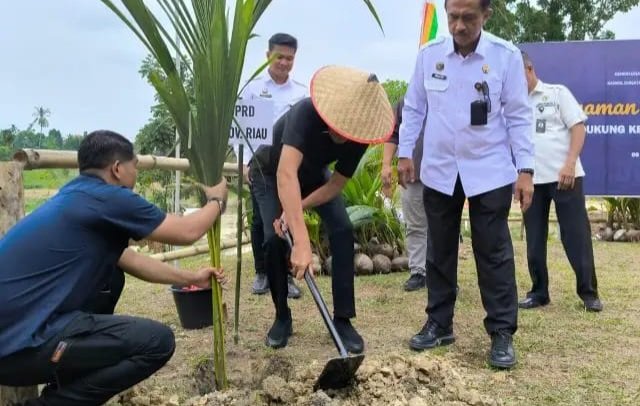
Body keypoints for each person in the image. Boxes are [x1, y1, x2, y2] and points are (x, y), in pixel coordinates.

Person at [0, 130, 228, 405]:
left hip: (15, 345)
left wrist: (192, 277)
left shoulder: (76, 196)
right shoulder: (108, 198)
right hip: (20, 348)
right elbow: (187, 231)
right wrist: (217, 201)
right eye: (135, 167)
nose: (137, 175)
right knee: (157, 343)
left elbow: (132, 260)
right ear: (117, 168)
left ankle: (65, 386)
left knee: (112, 276)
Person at [398, 0, 535, 369]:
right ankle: (439, 323)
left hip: (489, 169)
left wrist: (525, 169)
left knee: (493, 252)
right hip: (440, 169)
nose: (459, 25)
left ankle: (502, 332)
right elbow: (414, 108)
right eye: (453, 16)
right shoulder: (429, 55)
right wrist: (405, 153)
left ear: (486, 16)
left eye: (468, 18)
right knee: (439, 249)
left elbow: (519, 116)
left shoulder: (504, 56)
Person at [249, 65, 394, 352]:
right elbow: (286, 174)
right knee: (274, 238)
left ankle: (343, 319)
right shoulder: (305, 113)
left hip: (314, 175)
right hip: (270, 173)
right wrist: (300, 240)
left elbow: (335, 185)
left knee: (342, 228)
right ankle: (282, 317)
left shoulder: (360, 136)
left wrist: (297, 209)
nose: (346, 134)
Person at [518, 51, 603, 312]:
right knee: (534, 238)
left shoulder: (556, 93)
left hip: (565, 177)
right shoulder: (513, 103)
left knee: (576, 236)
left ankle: (589, 293)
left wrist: (569, 164)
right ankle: (539, 292)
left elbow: (578, 127)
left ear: (529, 69)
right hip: (531, 180)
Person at [234, 33, 308, 298]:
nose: (284, 63)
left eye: (290, 58)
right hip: (259, 165)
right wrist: (244, 163)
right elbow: (241, 127)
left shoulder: (301, 93)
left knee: (283, 218)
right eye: (279, 57)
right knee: (263, 222)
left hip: (289, 168)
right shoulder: (252, 89)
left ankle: (285, 276)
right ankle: (262, 272)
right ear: (268, 56)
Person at [382, 98, 428, 291]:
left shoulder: (450, 95)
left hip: (444, 174)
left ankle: (444, 274)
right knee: (415, 225)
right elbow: (393, 134)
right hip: (411, 174)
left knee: (444, 226)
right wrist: (386, 164)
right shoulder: (406, 101)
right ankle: (418, 271)